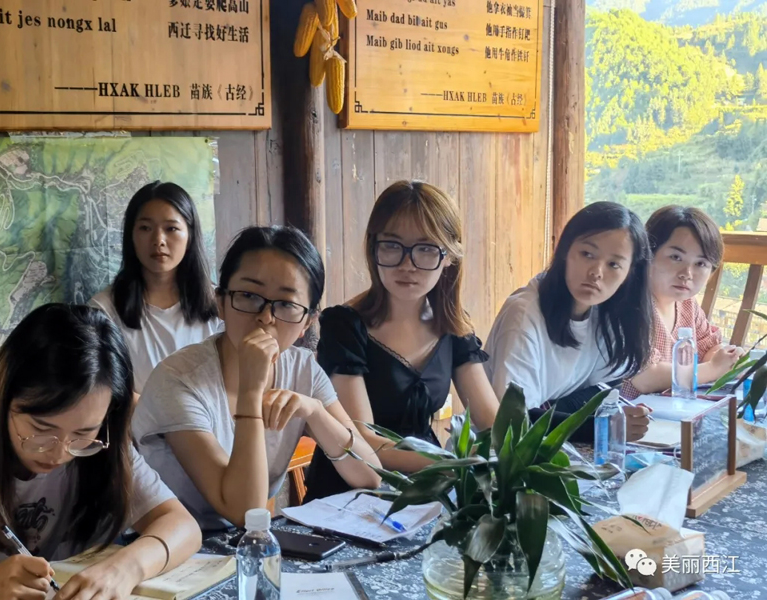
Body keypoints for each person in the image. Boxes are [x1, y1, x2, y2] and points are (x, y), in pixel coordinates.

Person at [132, 226, 381, 530]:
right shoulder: (178, 380)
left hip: (242, 543)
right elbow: (243, 512)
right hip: (165, 544)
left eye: (286, 304)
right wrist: (252, 390)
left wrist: (315, 412)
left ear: (307, 322)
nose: (265, 317)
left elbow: (370, 475)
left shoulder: (303, 370)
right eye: (249, 296)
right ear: (220, 302)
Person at [0, 304, 201, 600]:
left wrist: (125, 568)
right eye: (41, 428)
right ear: (2, 397)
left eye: (82, 433)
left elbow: (182, 525)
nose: (59, 453)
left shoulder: (99, 446)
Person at [303, 180, 500, 502]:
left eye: (426, 248)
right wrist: (455, 462)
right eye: (392, 246)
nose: (407, 265)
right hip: (351, 490)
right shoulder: (344, 326)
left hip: (429, 488)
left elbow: (494, 424)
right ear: (374, 248)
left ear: (449, 256)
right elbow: (364, 439)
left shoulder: (453, 326)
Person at [484, 201, 652, 442]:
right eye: (587, 254)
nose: (596, 272)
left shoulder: (609, 311)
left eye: (613, 264)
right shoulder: (524, 314)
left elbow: (605, 388)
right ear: (564, 251)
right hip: (499, 454)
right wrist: (600, 427)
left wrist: (561, 410)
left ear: (630, 273)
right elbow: (512, 418)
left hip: (559, 445)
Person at [90, 181, 221, 395]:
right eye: (145, 228)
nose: (158, 240)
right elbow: (104, 390)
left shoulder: (221, 305)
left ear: (190, 235)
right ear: (131, 236)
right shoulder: (103, 311)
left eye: (171, 228)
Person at [621, 206, 744, 399]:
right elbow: (645, 377)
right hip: (630, 413)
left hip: (675, 410)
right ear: (648, 255)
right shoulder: (631, 303)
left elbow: (707, 347)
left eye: (700, 263)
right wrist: (713, 369)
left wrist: (728, 359)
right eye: (675, 257)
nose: (687, 274)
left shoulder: (687, 304)